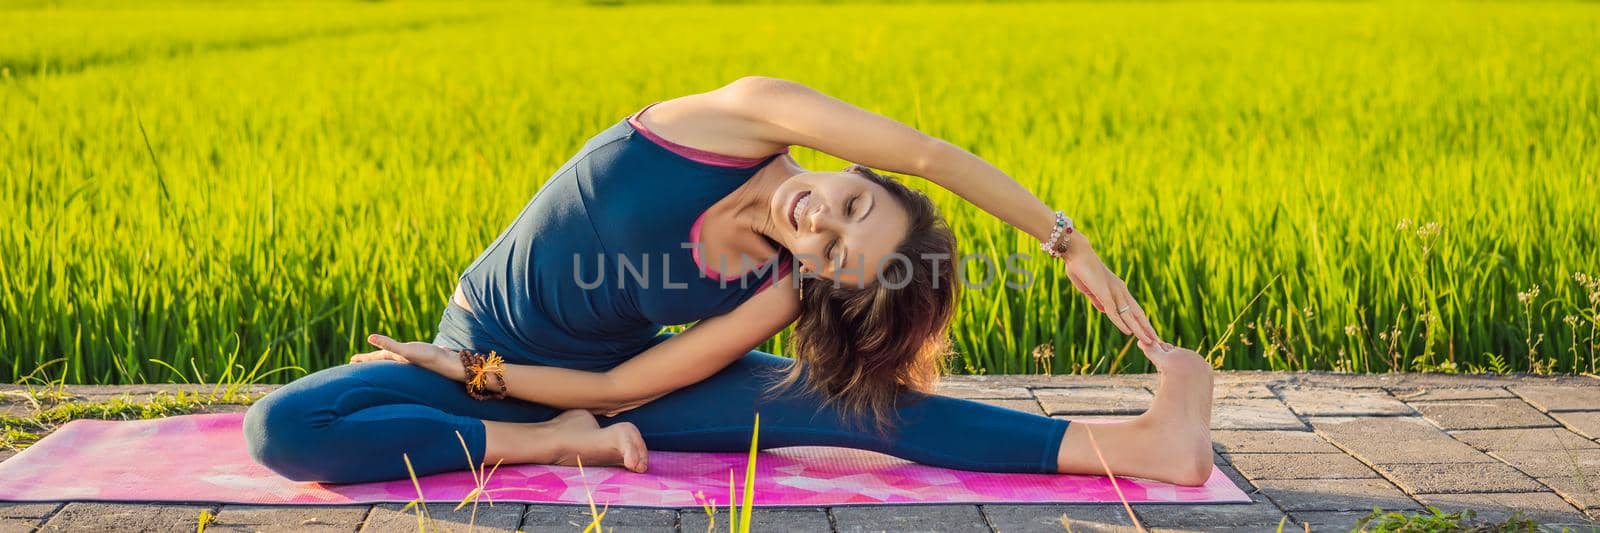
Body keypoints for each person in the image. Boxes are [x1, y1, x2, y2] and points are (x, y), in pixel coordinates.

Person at [243, 76, 1215, 486]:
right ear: (856, 172)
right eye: (853, 206)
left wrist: (510, 384)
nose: (824, 226)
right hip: (480, 354)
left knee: (852, 405)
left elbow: (624, 388)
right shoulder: (739, 117)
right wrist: (1064, 240)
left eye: (840, 254)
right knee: (282, 428)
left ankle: (1139, 441)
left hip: (603, 387)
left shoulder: (785, 284)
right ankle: (542, 448)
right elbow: (927, 149)